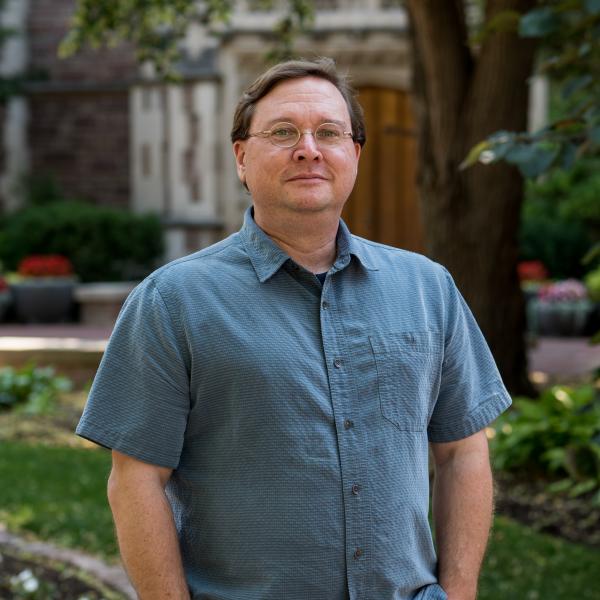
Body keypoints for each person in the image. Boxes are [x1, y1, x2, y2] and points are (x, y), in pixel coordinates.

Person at [77, 57, 511, 600]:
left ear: (353, 154)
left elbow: (462, 453)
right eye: (283, 132)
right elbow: (136, 480)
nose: (309, 148)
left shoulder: (428, 289)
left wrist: (460, 592)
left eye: (329, 132)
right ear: (241, 157)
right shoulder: (172, 302)